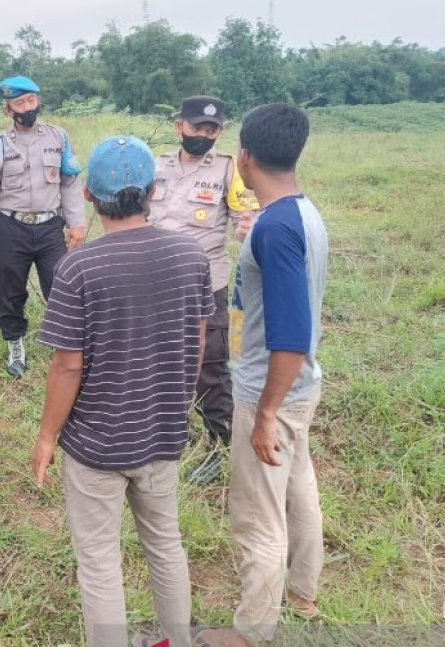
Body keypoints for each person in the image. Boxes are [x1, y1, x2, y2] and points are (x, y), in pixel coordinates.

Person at [30, 135, 214, 647]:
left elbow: (67, 367)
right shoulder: (191, 255)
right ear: (153, 191)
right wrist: (176, 405)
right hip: (161, 434)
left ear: (88, 196)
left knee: (98, 561)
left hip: (96, 447)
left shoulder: (79, 268)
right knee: (165, 545)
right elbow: (196, 339)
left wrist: (47, 436)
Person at [197, 104, 328, 647]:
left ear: (244, 156)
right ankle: (302, 591)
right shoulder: (304, 213)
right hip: (301, 388)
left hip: (270, 391)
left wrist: (266, 412)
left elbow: (290, 335)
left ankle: (251, 631)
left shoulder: (275, 229)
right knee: (299, 489)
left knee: (257, 516)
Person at [149, 95, 258, 484]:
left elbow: (249, 219)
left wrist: (250, 229)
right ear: (180, 126)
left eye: (211, 129)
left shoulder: (229, 171)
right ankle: (163, 432)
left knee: (209, 367)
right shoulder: (155, 165)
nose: (203, 135)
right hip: (155, 280)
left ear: (220, 132)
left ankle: (219, 443)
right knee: (156, 360)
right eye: (197, 127)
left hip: (204, 284)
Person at [0, 75, 86, 377]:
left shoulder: (59, 137)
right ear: (7, 109)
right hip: (10, 227)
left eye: (31, 100)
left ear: (39, 101)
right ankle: (15, 345)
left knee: (61, 288)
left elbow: (70, 183)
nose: (27, 107)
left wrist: (77, 224)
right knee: (10, 290)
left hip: (50, 227)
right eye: (19, 103)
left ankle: (66, 345)